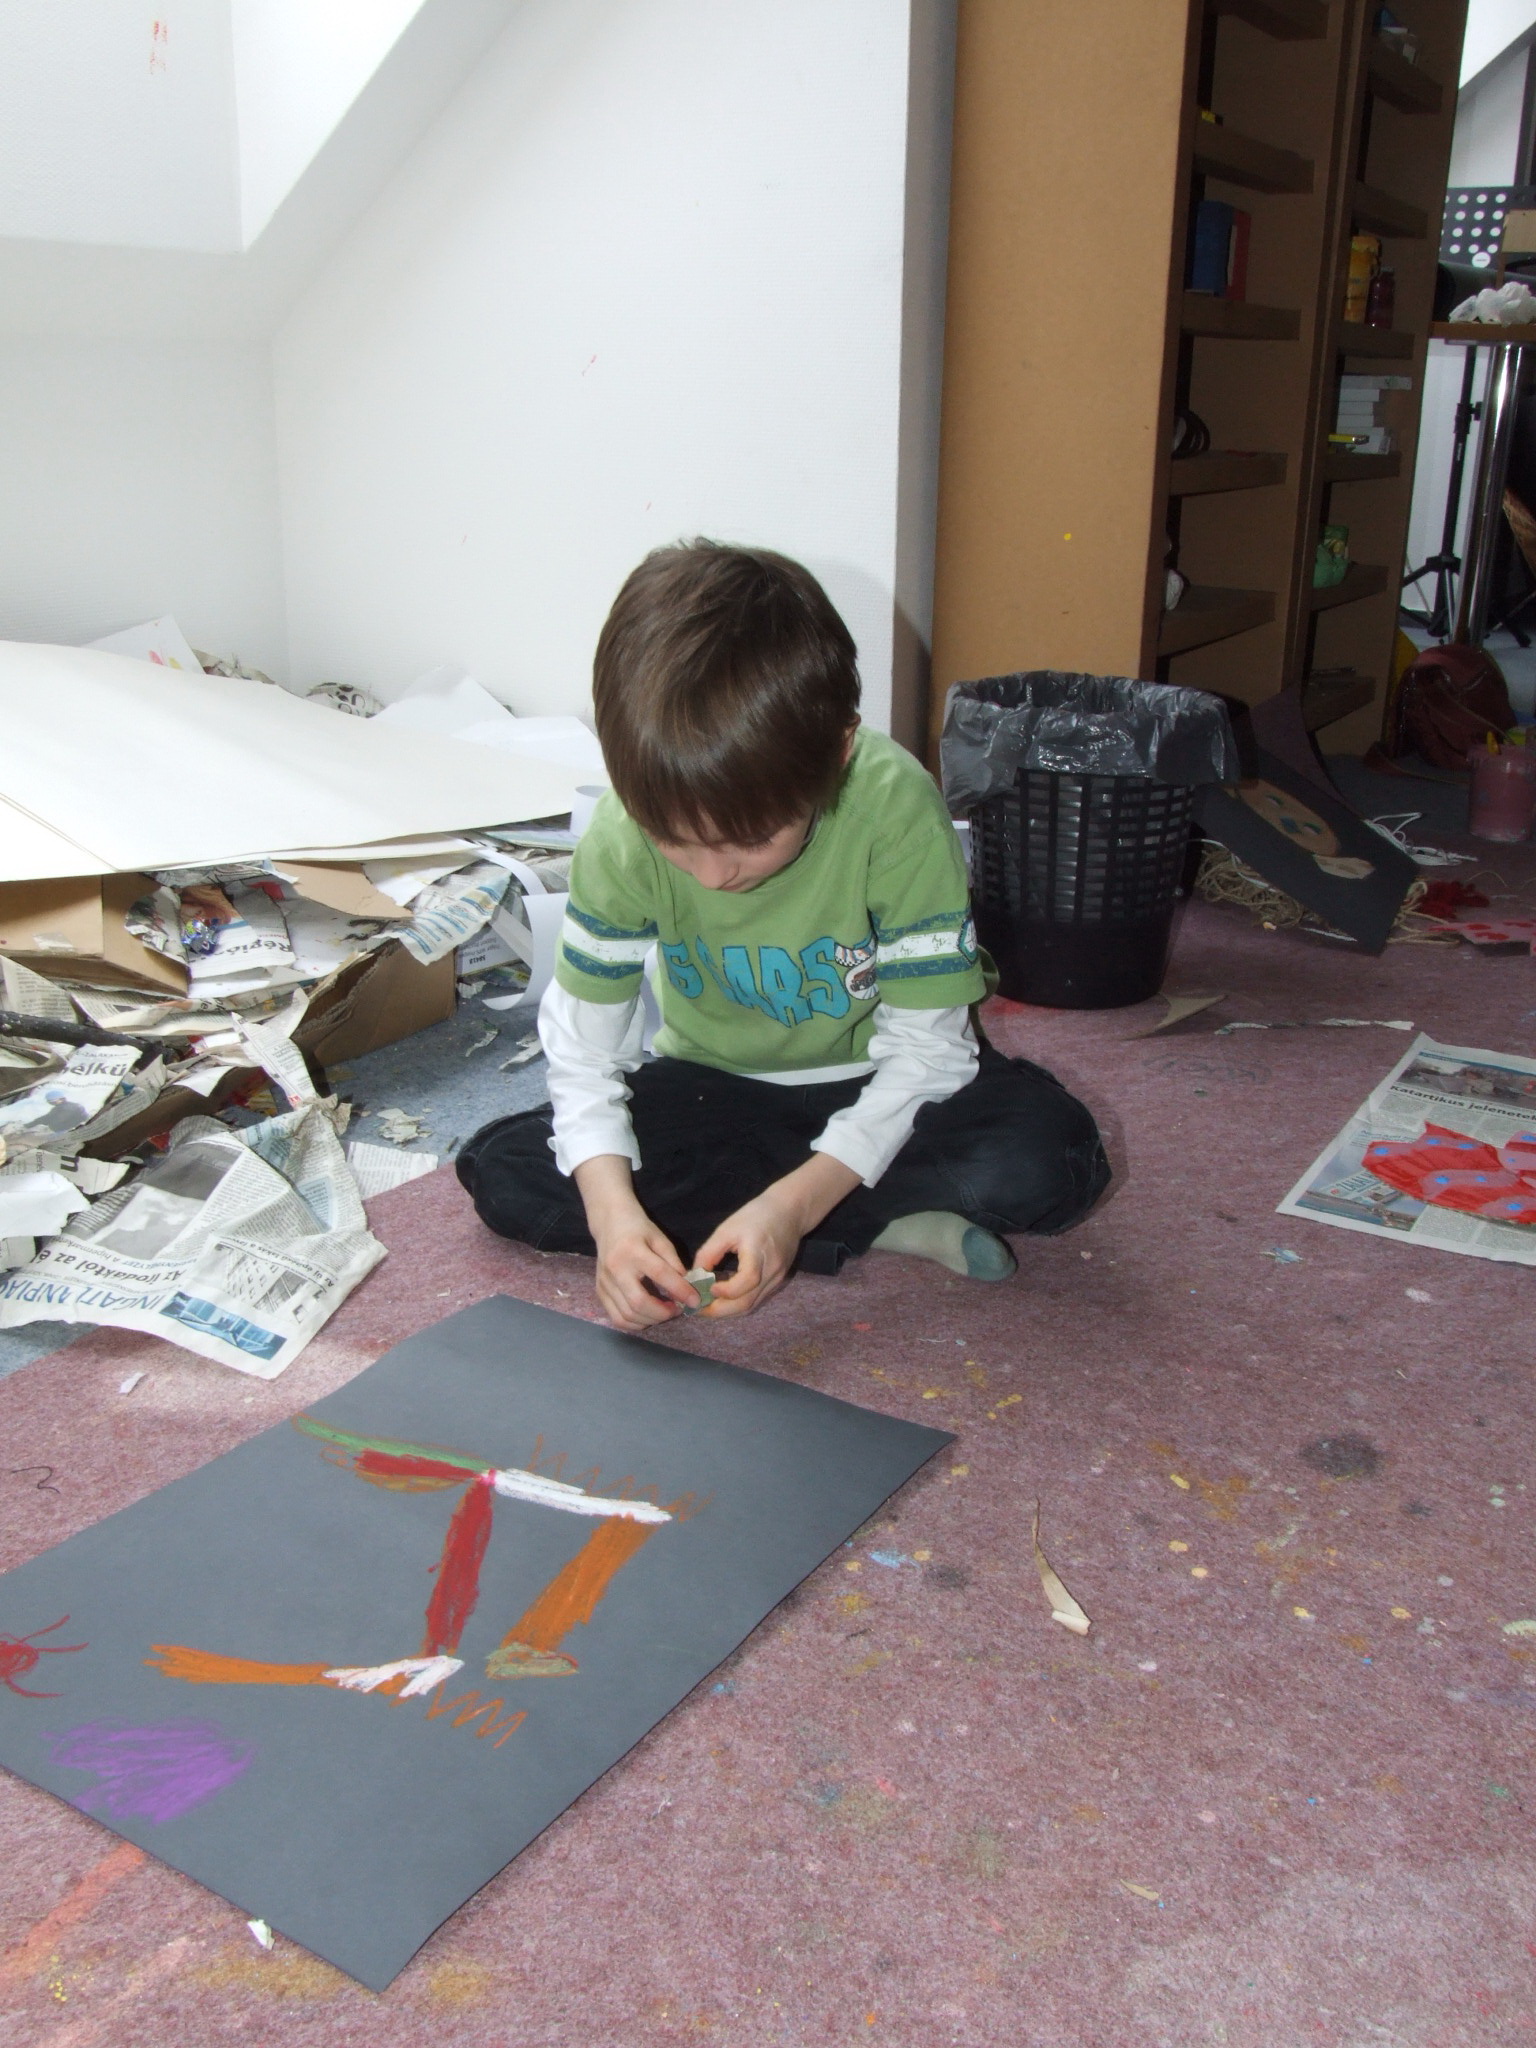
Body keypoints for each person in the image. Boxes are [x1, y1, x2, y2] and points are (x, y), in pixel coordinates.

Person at [457, 541, 1108, 1330]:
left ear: (838, 752)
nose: (711, 876)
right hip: (713, 1086)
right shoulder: (622, 835)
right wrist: (613, 1218)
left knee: (1050, 1162)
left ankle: (797, 1217)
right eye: (674, 840)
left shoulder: (894, 806)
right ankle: (869, 1219)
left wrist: (791, 1206)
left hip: (882, 1079)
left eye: (751, 839)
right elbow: (587, 1054)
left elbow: (929, 1054)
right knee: (503, 1170)